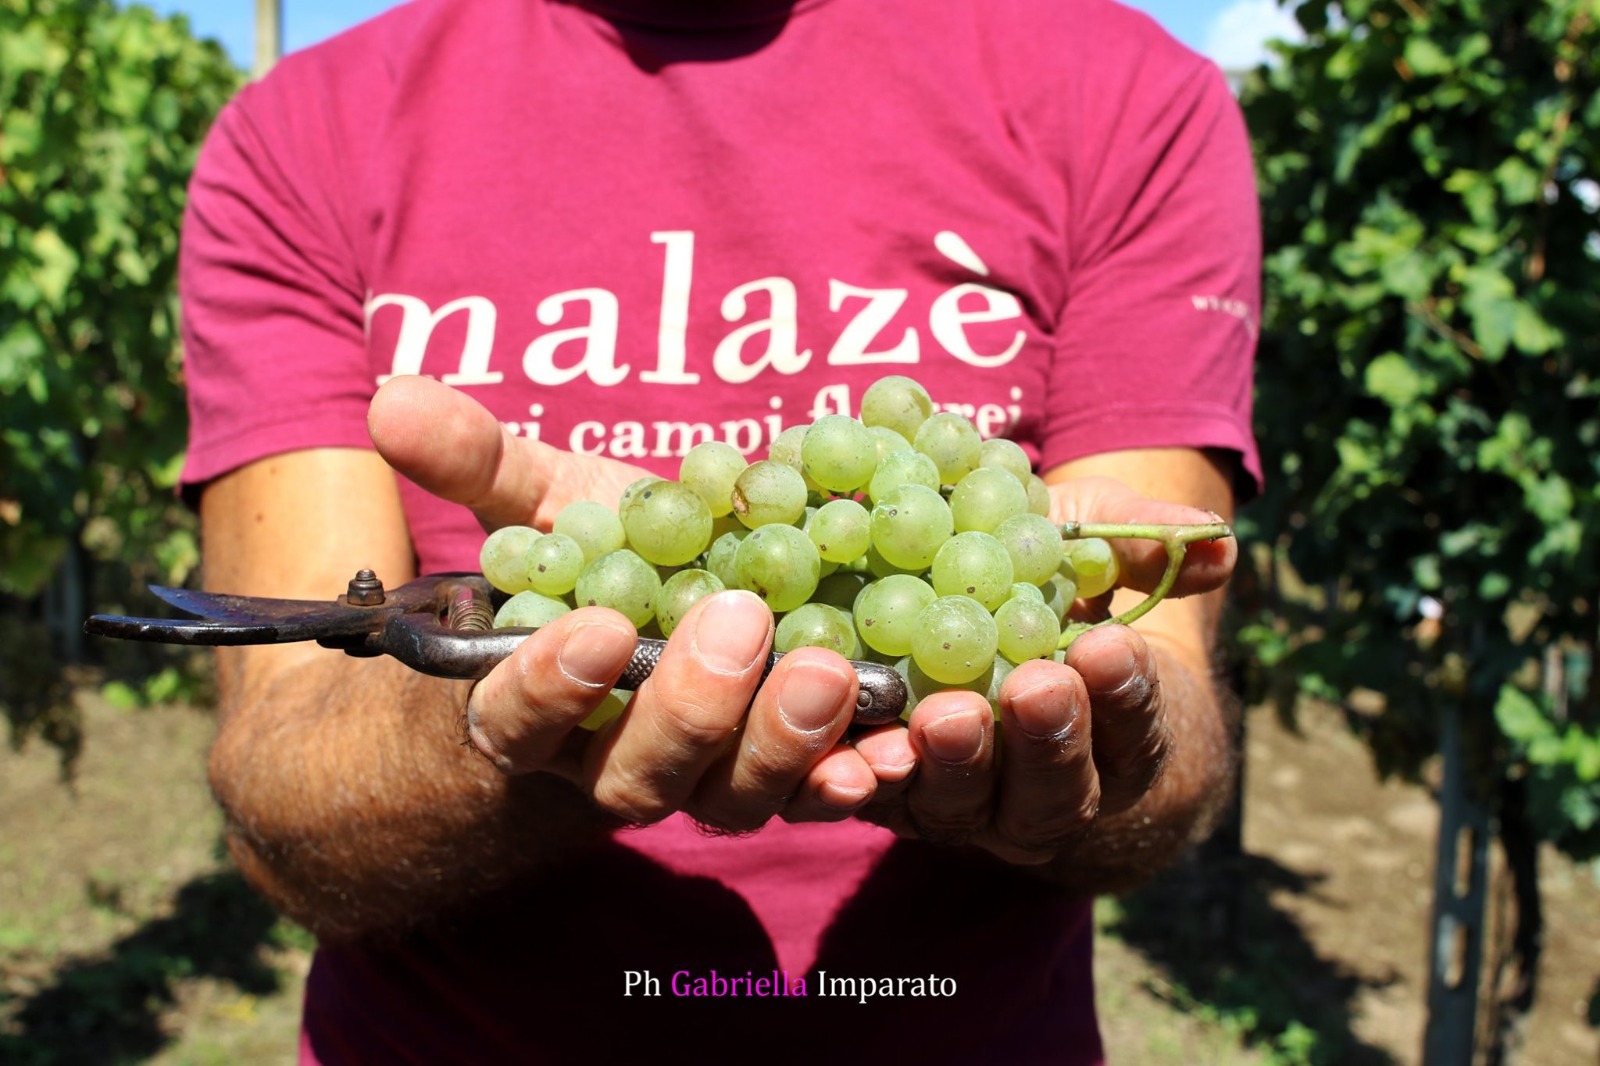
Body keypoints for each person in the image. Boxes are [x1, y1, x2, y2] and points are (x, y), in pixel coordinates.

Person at [177, 0, 1261, 1061]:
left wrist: (1100, 720)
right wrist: (505, 735)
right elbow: (284, 791)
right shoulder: (309, 128)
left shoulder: (1122, 91)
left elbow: (1164, 733)